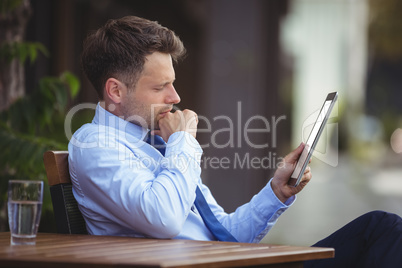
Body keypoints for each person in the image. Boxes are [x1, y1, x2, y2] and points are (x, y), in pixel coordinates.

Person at [69, 16, 402, 267]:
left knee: (379, 228)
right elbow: (164, 218)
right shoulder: (95, 145)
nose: (175, 96)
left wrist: (275, 192)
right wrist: (183, 142)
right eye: (160, 88)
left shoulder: (157, 143)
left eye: (172, 83)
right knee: (383, 230)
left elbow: (226, 233)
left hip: (229, 261)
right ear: (115, 90)